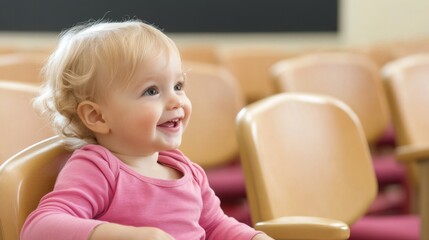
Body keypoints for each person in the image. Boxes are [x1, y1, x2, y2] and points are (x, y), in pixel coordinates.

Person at [21, 19, 274, 240]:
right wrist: (125, 235)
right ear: (97, 116)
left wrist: (254, 237)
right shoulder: (98, 169)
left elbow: (216, 226)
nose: (176, 101)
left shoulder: (187, 171)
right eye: (151, 91)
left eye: (178, 85)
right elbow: (39, 227)